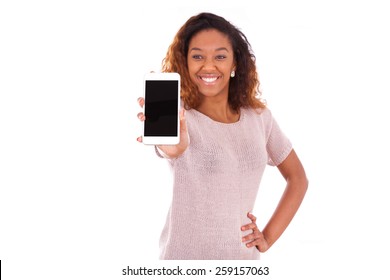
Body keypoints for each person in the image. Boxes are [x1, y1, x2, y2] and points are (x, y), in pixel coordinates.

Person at [136, 12, 308, 260]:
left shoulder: (260, 118)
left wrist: (268, 237)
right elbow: (172, 148)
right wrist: (172, 142)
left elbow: (298, 178)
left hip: (243, 265)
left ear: (235, 62)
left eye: (220, 56)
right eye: (197, 56)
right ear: (185, 62)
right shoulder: (179, 114)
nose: (208, 66)